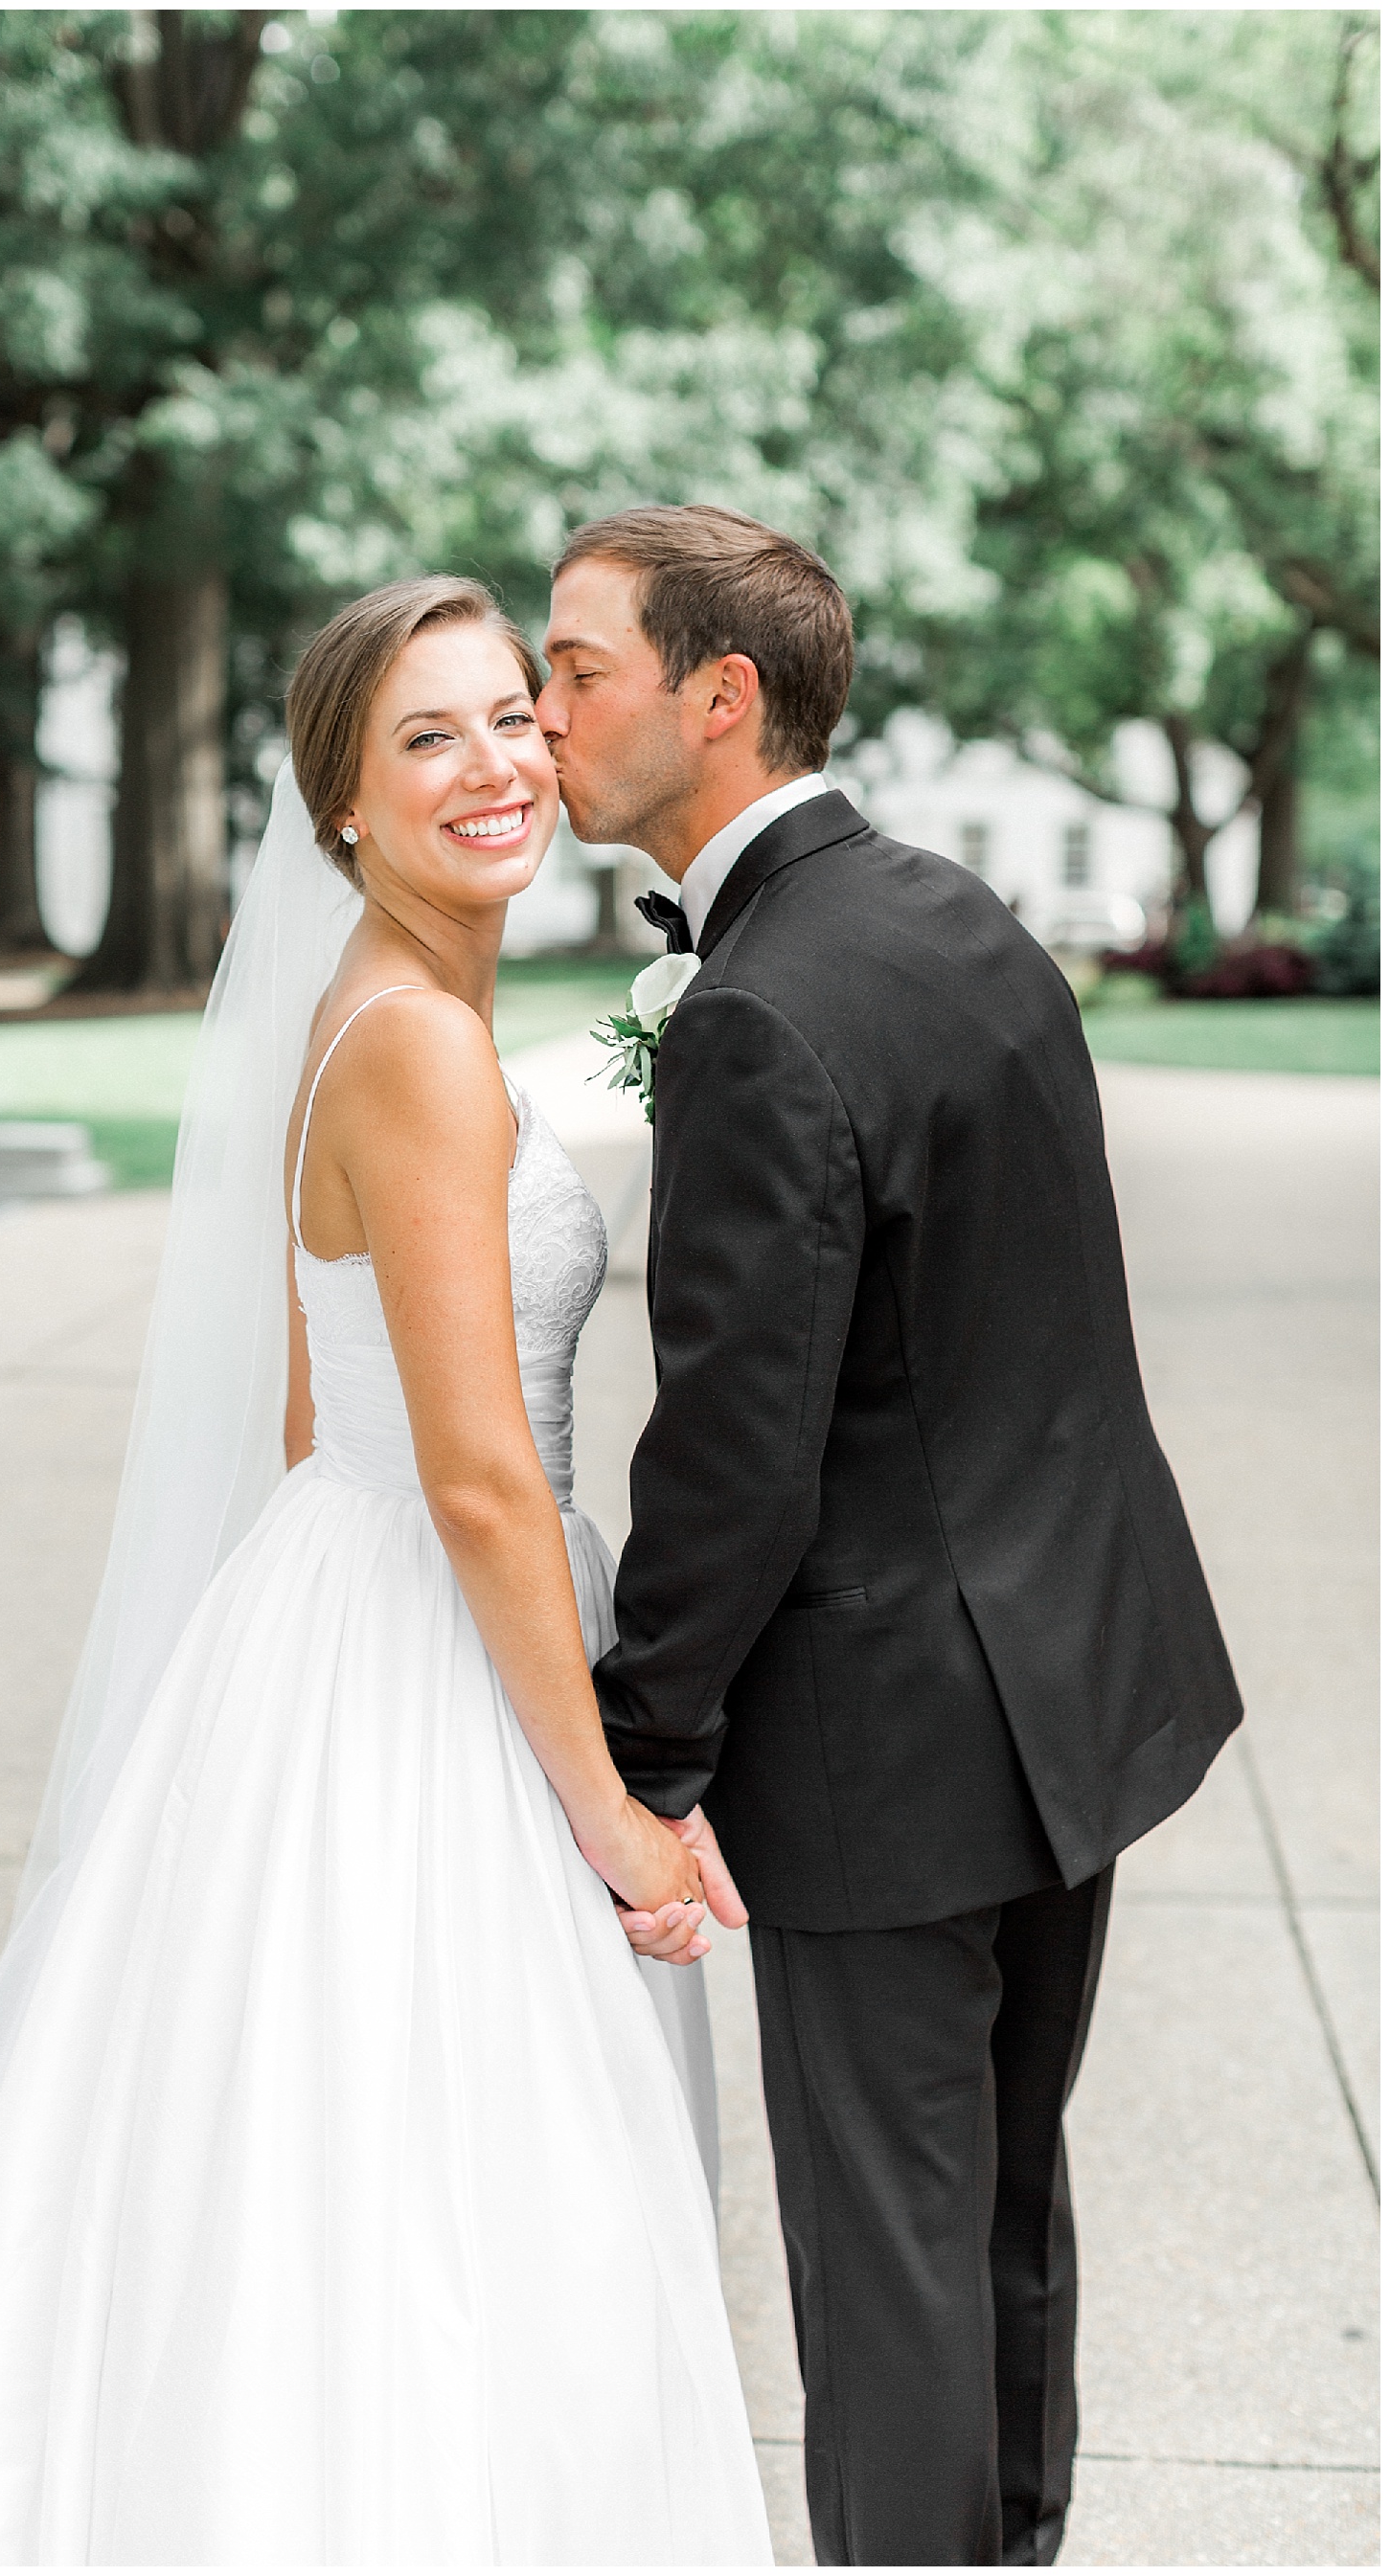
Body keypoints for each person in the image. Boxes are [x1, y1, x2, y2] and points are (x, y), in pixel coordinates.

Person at [0, 578, 771, 2567]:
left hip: (351, 1609)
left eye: (510, 716)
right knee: (453, 2167)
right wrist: (608, 1808)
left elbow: (304, 1411)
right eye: (425, 737)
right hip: (442, 1627)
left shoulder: (384, 1005)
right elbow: (476, 1482)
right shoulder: (416, 1046)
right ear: (340, 803)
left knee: (332, 2149)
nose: (495, 764)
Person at [538, 504, 1243, 2569]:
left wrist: (646, 1753)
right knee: (998, 2200)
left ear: (718, 697)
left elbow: (736, 1453)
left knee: (889, 2259)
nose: (543, 712)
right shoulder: (959, 917)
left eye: (577, 670)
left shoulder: (757, 1011)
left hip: (885, 1739)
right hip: (1068, 1696)